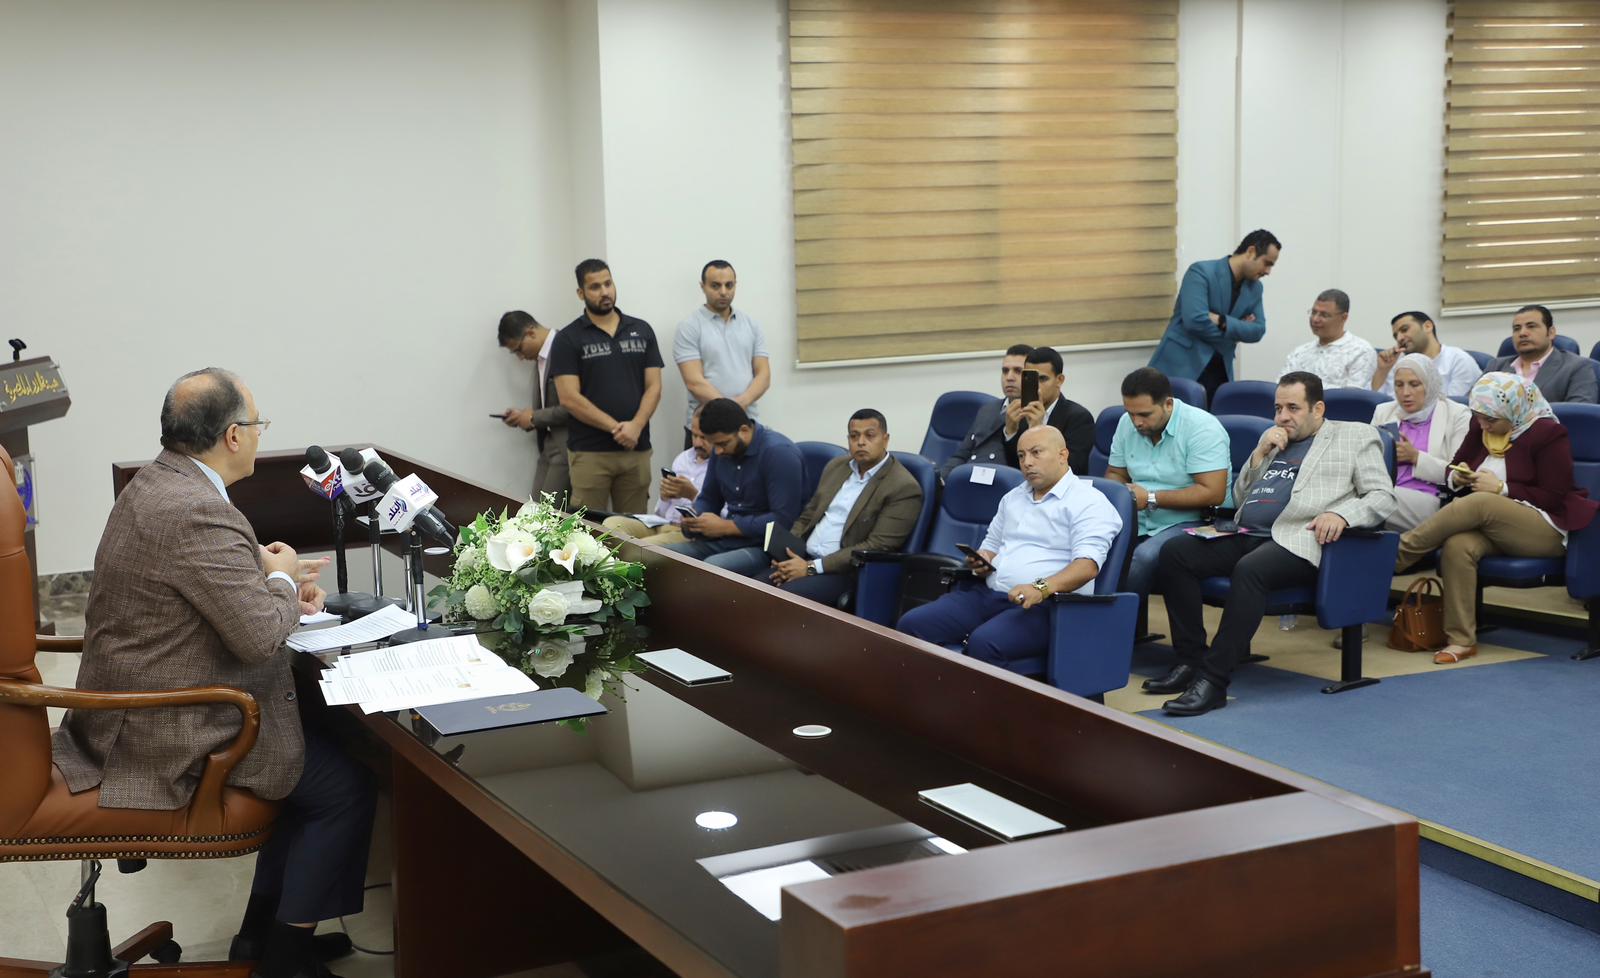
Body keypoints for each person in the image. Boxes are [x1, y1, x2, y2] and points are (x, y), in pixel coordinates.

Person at [51, 369, 374, 978]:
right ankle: (284, 960)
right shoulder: (198, 509)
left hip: (128, 711)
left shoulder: (157, 482)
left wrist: (266, 579)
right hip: (161, 731)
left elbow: (196, 584)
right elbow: (257, 637)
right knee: (342, 788)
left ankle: (258, 940)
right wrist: (280, 582)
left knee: (314, 753)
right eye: (258, 425)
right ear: (232, 436)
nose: (259, 434)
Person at [1151, 372, 1395, 716]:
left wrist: (1341, 515)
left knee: (1250, 570)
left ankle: (1213, 681)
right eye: (1278, 408)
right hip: (1248, 533)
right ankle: (1190, 660)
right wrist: (1258, 455)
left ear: (1318, 409)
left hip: (1301, 539)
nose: (1282, 416)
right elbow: (1239, 498)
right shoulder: (1274, 439)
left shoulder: (1355, 436)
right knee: (1176, 553)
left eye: (1293, 408)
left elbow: (1382, 496)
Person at [1395, 373, 1599, 664]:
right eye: (1479, 418)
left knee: (1482, 502)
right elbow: (1455, 466)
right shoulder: (1480, 426)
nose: (1483, 425)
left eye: (1490, 420)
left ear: (1513, 410)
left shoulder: (1548, 433)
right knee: (1458, 546)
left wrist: (1502, 488)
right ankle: (1461, 640)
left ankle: (1398, 555)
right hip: (1495, 525)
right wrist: (1457, 476)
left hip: (1546, 527)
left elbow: (1554, 496)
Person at [897, 427, 1121, 668]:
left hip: (1047, 606)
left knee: (984, 643)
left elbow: (1087, 566)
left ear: (1062, 455)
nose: (1027, 462)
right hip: (988, 594)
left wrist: (1040, 588)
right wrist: (982, 560)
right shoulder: (1013, 497)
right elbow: (991, 546)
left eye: (1036, 452)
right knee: (912, 625)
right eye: (1021, 455)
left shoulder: (1089, 502)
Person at [761, 409, 924, 607]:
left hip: (844, 572)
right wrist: (786, 553)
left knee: (778, 600)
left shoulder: (903, 487)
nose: (861, 442)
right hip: (802, 558)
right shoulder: (837, 466)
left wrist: (811, 568)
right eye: (854, 436)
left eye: (870, 435)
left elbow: (877, 545)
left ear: (885, 439)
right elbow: (808, 516)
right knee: (753, 586)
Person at [550, 259, 664, 514]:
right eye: (595, 287)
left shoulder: (641, 330)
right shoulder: (568, 338)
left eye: (608, 284)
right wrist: (617, 428)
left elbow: (654, 387)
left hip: (636, 448)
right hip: (590, 453)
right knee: (588, 528)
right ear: (581, 293)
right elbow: (569, 398)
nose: (604, 292)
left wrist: (635, 427)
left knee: (633, 528)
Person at [1104, 367, 1232, 595]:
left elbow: (1213, 492)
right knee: (1088, 548)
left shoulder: (1202, 428)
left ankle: (1116, 616)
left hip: (1191, 521)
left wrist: (1150, 498)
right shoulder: (1126, 423)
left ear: (1168, 404)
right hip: (1136, 518)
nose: (1137, 422)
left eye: (1145, 415)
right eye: (1131, 413)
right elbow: (1116, 473)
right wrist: (1122, 492)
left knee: (1141, 559)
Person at [663, 398, 804, 574]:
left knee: (711, 568)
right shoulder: (721, 449)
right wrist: (695, 519)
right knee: (662, 558)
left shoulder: (779, 453)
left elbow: (782, 520)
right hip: (725, 539)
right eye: (714, 445)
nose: (718, 451)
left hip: (765, 546)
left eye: (722, 444)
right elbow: (709, 498)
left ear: (744, 431)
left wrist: (726, 526)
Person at [1148, 229, 1281, 401]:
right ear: (1251, 251)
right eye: (1267, 263)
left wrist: (1222, 320)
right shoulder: (1201, 272)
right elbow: (1195, 321)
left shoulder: (1255, 288)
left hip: (1220, 372)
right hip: (1181, 367)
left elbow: (1258, 331)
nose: (1268, 271)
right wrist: (1236, 331)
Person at [1371, 353, 1472, 531]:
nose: (1405, 393)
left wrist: (1416, 457)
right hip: (1384, 490)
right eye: (1399, 385)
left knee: (1369, 499)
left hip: (1431, 499)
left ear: (1430, 384)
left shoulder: (1457, 414)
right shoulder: (1384, 411)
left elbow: (1459, 473)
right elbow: (1364, 458)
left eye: (1414, 384)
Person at [673, 259, 772, 437]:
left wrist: (741, 404)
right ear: (703, 287)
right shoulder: (689, 327)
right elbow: (694, 382)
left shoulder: (751, 325)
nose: (723, 292)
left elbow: (763, 376)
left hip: (747, 424)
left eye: (729, 285)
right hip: (705, 429)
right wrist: (731, 410)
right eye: (715, 286)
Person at [601, 407, 714, 545]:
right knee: (611, 525)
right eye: (694, 435)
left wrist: (693, 495)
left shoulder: (721, 466)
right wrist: (665, 497)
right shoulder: (683, 459)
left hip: (687, 532)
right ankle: (628, 553)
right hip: (661, 523)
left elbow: (722, 515)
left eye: (703, 437)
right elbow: (660, 513)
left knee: (642, 547)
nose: (697, 443)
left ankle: (630, 554)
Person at [497, 310, 570, 505]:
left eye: (519, 349)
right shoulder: (541, 357)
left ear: (530, 333)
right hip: (548, 444)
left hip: (568, 447)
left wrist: (533, 417)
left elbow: (575, 407)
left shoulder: (567, 347)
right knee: (533, 510)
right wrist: (524, 416)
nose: (520, 357)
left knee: (548, 514)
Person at [938, 343, 1032, 481]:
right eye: (1005, 371)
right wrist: (941, 480)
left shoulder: (1035, 416)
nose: (1009, 377)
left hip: (1002, 484)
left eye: (1018, 371)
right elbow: (961, 455)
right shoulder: (988, 409)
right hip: (969, 479)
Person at [1005, 346, 1094, 477]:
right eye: (1030, 379)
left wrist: (1037, 431)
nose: (1037, 386)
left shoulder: (1079, 417)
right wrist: (1010, 431)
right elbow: (1012, 467)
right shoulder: (1021, 413)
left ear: (1059, 380)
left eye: (1042, 379)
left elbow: (1073, 468)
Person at [1485, 304, 1597, 404]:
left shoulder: (1576, 367)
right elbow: (1476, 404)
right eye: (1517, 329)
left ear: (1551, 332)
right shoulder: (1496, 367)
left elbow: (1578, 413)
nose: (1522, 333)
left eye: (1531, 326)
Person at [1279, 289, 1377, 390]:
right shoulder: (1300, 352)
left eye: (1324, 315)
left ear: (1344, 317)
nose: (1315, 319)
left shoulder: (1361, 351)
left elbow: (1354, 394)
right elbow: (1281, 387)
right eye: (1313, 312)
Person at [1370, 311, 1481, 399]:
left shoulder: (1459, 360)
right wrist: (1382, 370)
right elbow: (1379, 404)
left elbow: (1452, 408)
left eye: (1404, 330)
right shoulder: (1398, 363)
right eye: (1396, 336)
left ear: (1428, 326)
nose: (1399, 338)